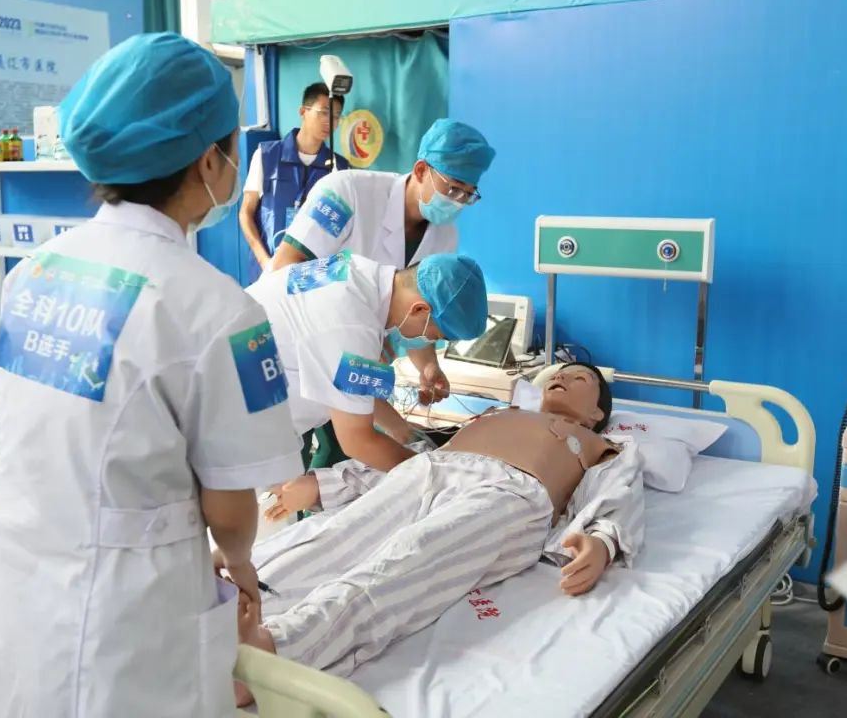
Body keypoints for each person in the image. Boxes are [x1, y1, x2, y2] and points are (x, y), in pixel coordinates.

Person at [0, 34, 303, 718]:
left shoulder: (37, 270)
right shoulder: (220, 312)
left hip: (15, 565)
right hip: (125, 611)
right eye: (230, 145)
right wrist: (240, 560)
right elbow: (229, 506)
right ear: (208, 160)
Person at [241, 363, 645, 680]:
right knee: (338, 536)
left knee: (409, 559)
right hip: (432, 469)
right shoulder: (498, 414)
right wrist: (324, 484)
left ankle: (279, 647)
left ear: (597, 412)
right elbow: (413, 458)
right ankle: (232, 606)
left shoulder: (606, 445)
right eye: (558, 373)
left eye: (579, 378)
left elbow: (619, 491)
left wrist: (603, 540)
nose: (561, 377)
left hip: (512, 492)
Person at [269, 118, 495, 466]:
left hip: (348, 350)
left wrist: (427, 366)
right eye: (453, 189)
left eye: (469, 194)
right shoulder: (346, 193)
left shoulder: (444, 236)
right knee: (290, 457)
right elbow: (287, 268)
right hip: (292, 351)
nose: (458, 202)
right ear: (421, 170)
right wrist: (432, 474)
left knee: (338, 460)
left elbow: (423, 304)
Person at [246, 250, 488, 472]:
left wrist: (403, 431)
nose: (427, 341)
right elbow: (358, 441)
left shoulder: (356, 271)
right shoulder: (354, 325)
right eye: (434, 336)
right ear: (419, 310)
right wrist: (436, 475)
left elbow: (353, 388)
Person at [239, 82, 350, 273]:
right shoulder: (266, 155)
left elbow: (342, 230)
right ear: (303, 111)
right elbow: (246, 213)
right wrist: (264, 261)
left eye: (336, 116)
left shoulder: (339, 168)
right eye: (323, 112)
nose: (329, 122)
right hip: (266, 270)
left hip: (311, 276)